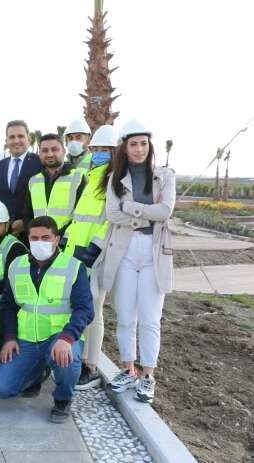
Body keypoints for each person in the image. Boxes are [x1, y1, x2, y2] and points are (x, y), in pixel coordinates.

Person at [94, 120, 175, 404]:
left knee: (150, 319)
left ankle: (148, 375)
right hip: (125, 251)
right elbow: (112, 214)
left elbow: (165, 211)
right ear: (125, 148)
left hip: (153, 252)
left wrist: (130, 207)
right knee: (126, 316)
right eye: (133, 144)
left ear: (149, 146)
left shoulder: (164, 176)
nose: (139, 149)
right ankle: (128, 369)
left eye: (143, 144)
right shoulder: (115, 179)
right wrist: (145, 215)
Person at [0, 216, 94, 424]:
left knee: (68, 359)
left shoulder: (74, 267)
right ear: (28, 239)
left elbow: (85, 309)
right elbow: (8, 306)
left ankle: (63, 399)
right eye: (34, 238)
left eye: (46, 238)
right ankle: (38, 373)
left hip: (59, 338)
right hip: (26, 339)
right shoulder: (17, 266)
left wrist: (67, 338)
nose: (40, 242)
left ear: (56, 239)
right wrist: (10, 337)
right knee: (1, 389)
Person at [62, 125, 117, 390]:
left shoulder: (114, 180)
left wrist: (95, 247)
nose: (99, 153)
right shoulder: (92, 176)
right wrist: (67, 238)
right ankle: (81, 359)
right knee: (81, 307)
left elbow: (111, 219)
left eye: (105, 150)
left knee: (94, 309)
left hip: (95, 254)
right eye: (96, 149)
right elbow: (80, 216)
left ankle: (91, 366)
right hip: (76, 250)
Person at [0, 120, 42, 237]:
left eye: (20, 136)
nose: (16, 141)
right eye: (12, 137)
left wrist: (26, 222)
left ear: (29, 139)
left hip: (32, 233)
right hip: (3, 233)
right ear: (6, 141)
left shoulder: (40, 163)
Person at [22, 133, 86, 236]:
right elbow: (27, 215)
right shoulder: (33, 181)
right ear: (39, 153)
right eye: (45, 150)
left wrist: (58, 237)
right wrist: (35, 236)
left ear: (64, 151)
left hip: (66, 240)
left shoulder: (78, 177)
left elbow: (81, 214)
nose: (49, 154)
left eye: (54, 149)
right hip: (39, 241)